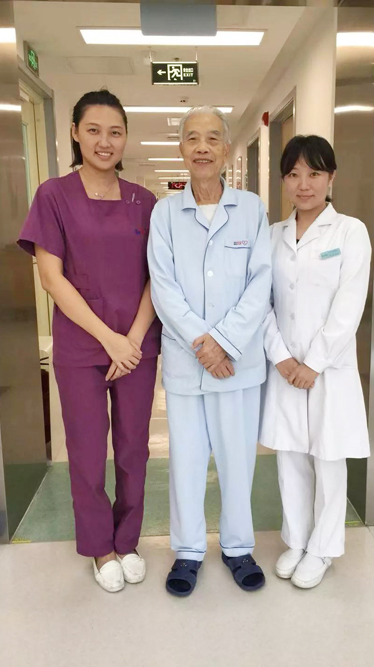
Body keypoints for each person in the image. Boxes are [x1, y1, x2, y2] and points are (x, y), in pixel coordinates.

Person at [18, 90, 161, 593]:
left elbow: (158, 277)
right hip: (82, 347)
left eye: (115, 132)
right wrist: (109, 339)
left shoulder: (145, 202)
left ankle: (128, 541)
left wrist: (133, 339)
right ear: (75, 133)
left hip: (137, 344)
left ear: (126, 138)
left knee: (133, 448)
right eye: (94, 130)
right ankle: (100, 548)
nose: (105, 141)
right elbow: (51, 278)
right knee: (85, 450)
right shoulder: (53, 196)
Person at [147, 105, 272, 597]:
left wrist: (224, 343)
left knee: (238, 460)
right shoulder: (164, 214)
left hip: (237, 363)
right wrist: (205, 345)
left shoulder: (252, 209)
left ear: (226, 149)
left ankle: (238, 547)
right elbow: (163, 288)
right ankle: (188, 551)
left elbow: (261, 284)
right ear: (182, 148)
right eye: (193, 138)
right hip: (187, 363)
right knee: (187, 461)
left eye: (213, 138)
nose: (202, 147)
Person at [260, 135, 371, 589]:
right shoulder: (272, 235)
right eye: (293, 174)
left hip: (328, 368)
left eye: (314, 173)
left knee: (328, 457)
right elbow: (260, 302)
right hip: (285, 367)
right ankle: (297, 540)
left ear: (331, 178)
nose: (303, 184)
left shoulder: (349, 232)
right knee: (290, 456)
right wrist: (281, 357)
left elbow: (349, 305)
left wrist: (315, 363)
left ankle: (323, 548)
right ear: (284, 180)